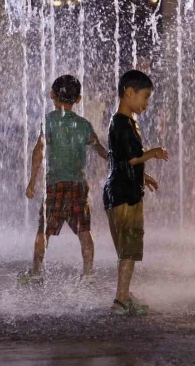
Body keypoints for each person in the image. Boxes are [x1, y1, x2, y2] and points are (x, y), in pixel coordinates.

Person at [19, 75, 108, 286]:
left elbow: (38, 150)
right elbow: (100, 150)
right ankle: (87, 274)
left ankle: (37, 271)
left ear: (52, 95)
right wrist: (116, 161)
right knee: (84, 231)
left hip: (55, 184)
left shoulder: (49, 121)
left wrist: (32, 180)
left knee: (43, 231)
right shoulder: (84, 125)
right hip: (78, 185)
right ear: (78, 99)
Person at [104, 70, 168, 316]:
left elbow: (120, 160)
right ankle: (120, 300)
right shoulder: (123, 122)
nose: (147, 103)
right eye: (145, 97)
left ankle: (125, 295)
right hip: (126, 195)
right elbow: (131, 158)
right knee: (129, 249)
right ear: (129, 93)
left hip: (116, 192)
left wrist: (144, 176)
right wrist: (154, 152)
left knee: (124, 250)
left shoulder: (120, 122)